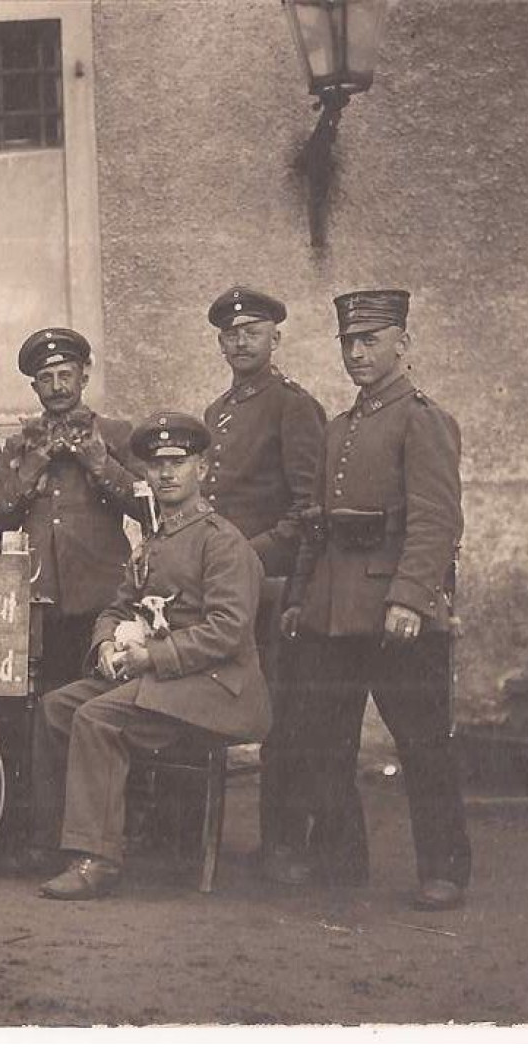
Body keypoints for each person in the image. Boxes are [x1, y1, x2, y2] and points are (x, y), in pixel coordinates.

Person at [280, 289, 471, 912]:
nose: (357, 353)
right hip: (332, 612)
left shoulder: (423, 419)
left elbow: (437, 520)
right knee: (323, 740)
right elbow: (318, 522)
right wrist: (300, 596)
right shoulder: (341, 426)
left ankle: (443, 869)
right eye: (348, 343)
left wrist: (411, 599)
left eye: (370, 340)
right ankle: (341, 859)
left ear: (402, 344)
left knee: (422, 743)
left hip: (397, 614)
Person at [29, 413, 271, 899]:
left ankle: (96, 859)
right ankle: (59, 841)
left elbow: (227, 631)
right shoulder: (155, 540)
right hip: (165, 678)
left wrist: (149, 657)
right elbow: (118, 606)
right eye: (156, 464)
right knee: (56, 707)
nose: (165, 473)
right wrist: (103, 645)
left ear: (201, 469)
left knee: (97, 718)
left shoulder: (221, 542)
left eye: (178, 463)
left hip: (217, 688)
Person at [197, 287, 327, 884]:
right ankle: (197, 842)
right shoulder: (216, 414)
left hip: (272, 583)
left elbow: (308, 512)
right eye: (231, 333)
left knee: (283, 716)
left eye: (253, 331)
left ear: (276, 338)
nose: (241, 341)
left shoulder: (292, 406)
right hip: (224, 591)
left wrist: (247, 558)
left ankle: (283, 845)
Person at [0, 326, 140, 693]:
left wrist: (102, 465)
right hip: (42, 601)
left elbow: (149, 509)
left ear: (84, 377)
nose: (57, 386)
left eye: (66, 375)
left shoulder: (115, 434)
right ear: (35, 388)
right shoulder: (21, 445)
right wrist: (29, 472)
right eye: (46, 379)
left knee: (104, 700)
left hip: (102, 598)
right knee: (46, 704)